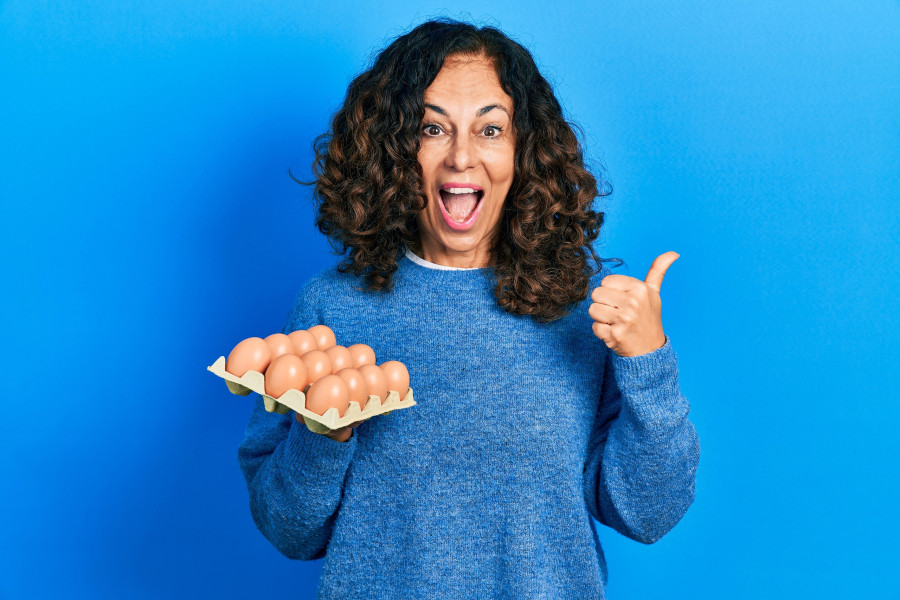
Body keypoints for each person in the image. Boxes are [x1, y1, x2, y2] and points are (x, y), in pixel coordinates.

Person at [238, 18, 700, 599]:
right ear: (394, 149)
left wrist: (649, 362)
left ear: (522, 151)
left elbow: (649, 513)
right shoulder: (332, 307)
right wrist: (325, 434)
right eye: (433, 128)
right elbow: (287, 530)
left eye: (490, 130)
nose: (461, 157)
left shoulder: (579, 315)